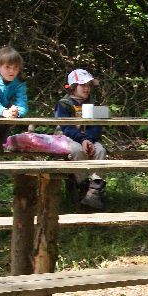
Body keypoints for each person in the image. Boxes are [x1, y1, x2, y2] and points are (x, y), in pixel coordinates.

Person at [55, 69, 107, 210]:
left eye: (89, 85)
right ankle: (82, 186)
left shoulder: (93, 104)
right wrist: (82, 140)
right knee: (77, 151)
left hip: (90, 139)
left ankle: (94, 190)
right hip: (69, 138)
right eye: (83, 85)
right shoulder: (63, 104)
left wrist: (89, 140)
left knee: (101, 150)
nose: (86, 88)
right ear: (73, 86)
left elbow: (96, 126)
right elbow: (67, 128)